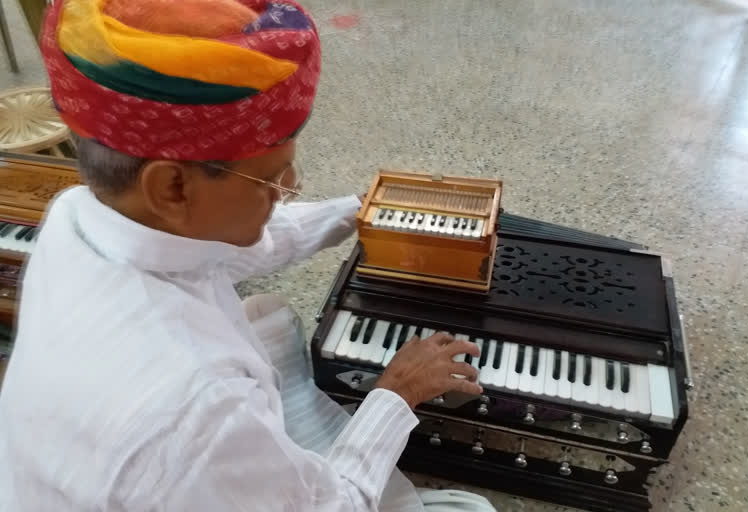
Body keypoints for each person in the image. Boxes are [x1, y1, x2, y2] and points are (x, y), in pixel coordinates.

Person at [0, 0, 498, 511]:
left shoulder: (78, 215)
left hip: (101, 463)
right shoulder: (196, 413)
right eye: (271, 176)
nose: (290, 187)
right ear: (172, 187)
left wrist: (362, 211)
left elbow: (232, 246)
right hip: (171, 453)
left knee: (269, 320)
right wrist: (395, 395)